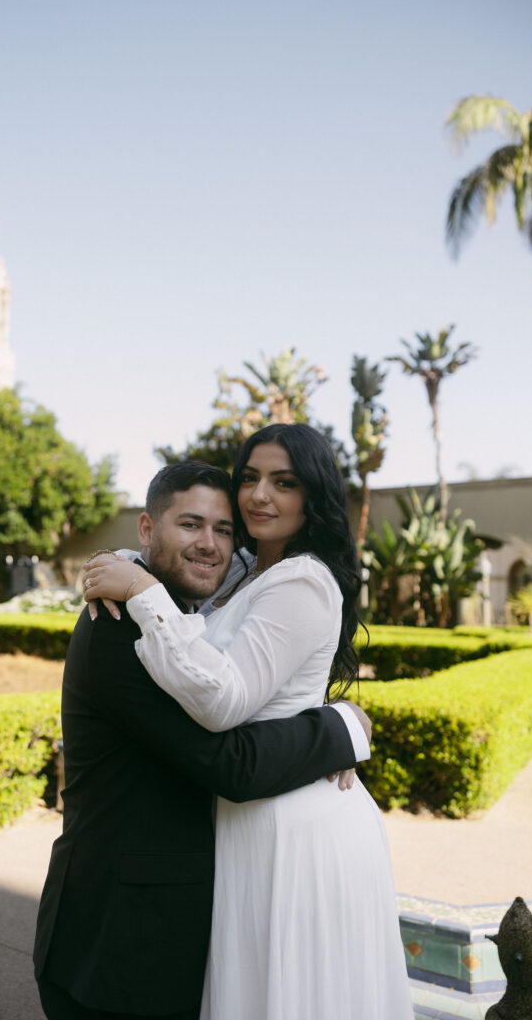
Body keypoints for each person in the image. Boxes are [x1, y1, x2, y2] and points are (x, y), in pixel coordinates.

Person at [83, 426, 414, 1020]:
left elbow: (224, 701)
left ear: (312, 497)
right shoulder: (246, 570)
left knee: (298, 995)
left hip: (296, 827)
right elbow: (179, 555)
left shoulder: (303, 580)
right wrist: (125, 563)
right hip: (249, 821)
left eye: (284, 483)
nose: (261, 494)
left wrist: (140, 589)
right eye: (250, 478)